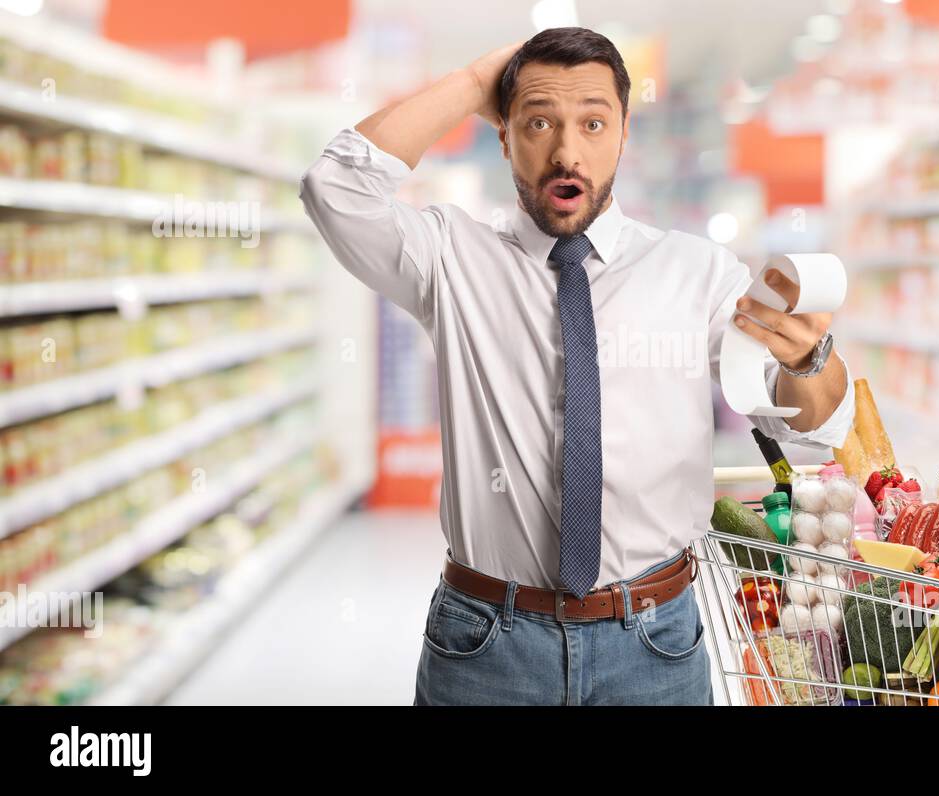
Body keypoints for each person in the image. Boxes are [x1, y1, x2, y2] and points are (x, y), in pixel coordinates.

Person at [300, 26, 854, 706]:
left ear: (624, 134)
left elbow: (811, 430)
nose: (567, 151)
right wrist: (477, 83)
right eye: (538, 122)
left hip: (655, 643)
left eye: (594, 122)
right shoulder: (450, 258)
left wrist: (811, 356)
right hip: (484, 645)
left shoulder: (695, 272)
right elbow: (334, 188)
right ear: (503, 137)